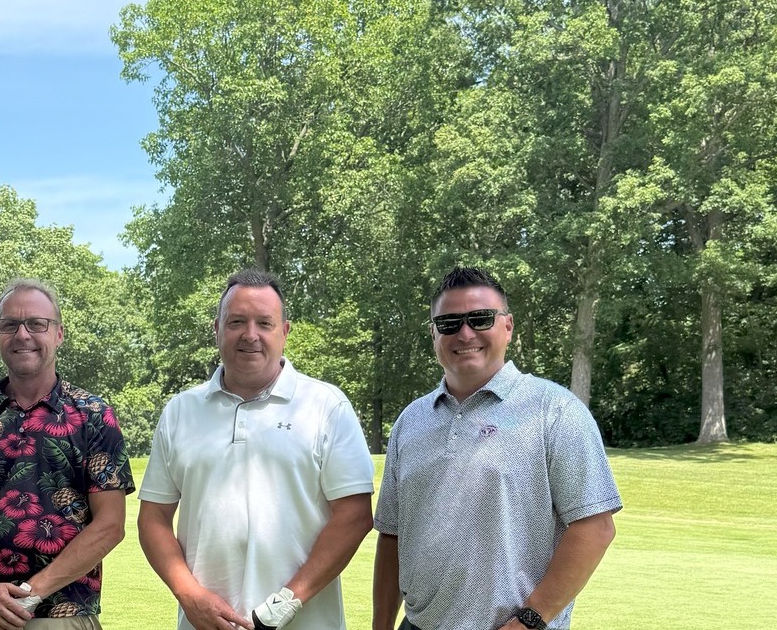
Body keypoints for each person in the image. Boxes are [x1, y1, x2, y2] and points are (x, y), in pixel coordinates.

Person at [372, 267, 622, 630]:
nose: (465, 333)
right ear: (433, 334)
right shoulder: (411, 421)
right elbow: (393, 535)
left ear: (507, 326)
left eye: (480, 318)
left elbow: (595, 528)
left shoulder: (555, 411)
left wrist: (529, 621)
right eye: (449, 323)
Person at [138, 268, 376, 630]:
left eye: (264, 323)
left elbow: (354, 515)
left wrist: (285, 603)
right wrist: (189, 595)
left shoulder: (325, 405)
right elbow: (153, 518)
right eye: (237, 321)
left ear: (285, 331)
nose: (250, 335)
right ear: (217, 328)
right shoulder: (181, 412)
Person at [0, 278, 134, 630]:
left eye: (37, 324)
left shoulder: (94, 416)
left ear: (59, 334)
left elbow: (110, 526)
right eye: (9, 325)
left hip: (62, 611)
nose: (22, 335)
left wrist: (30, 593)